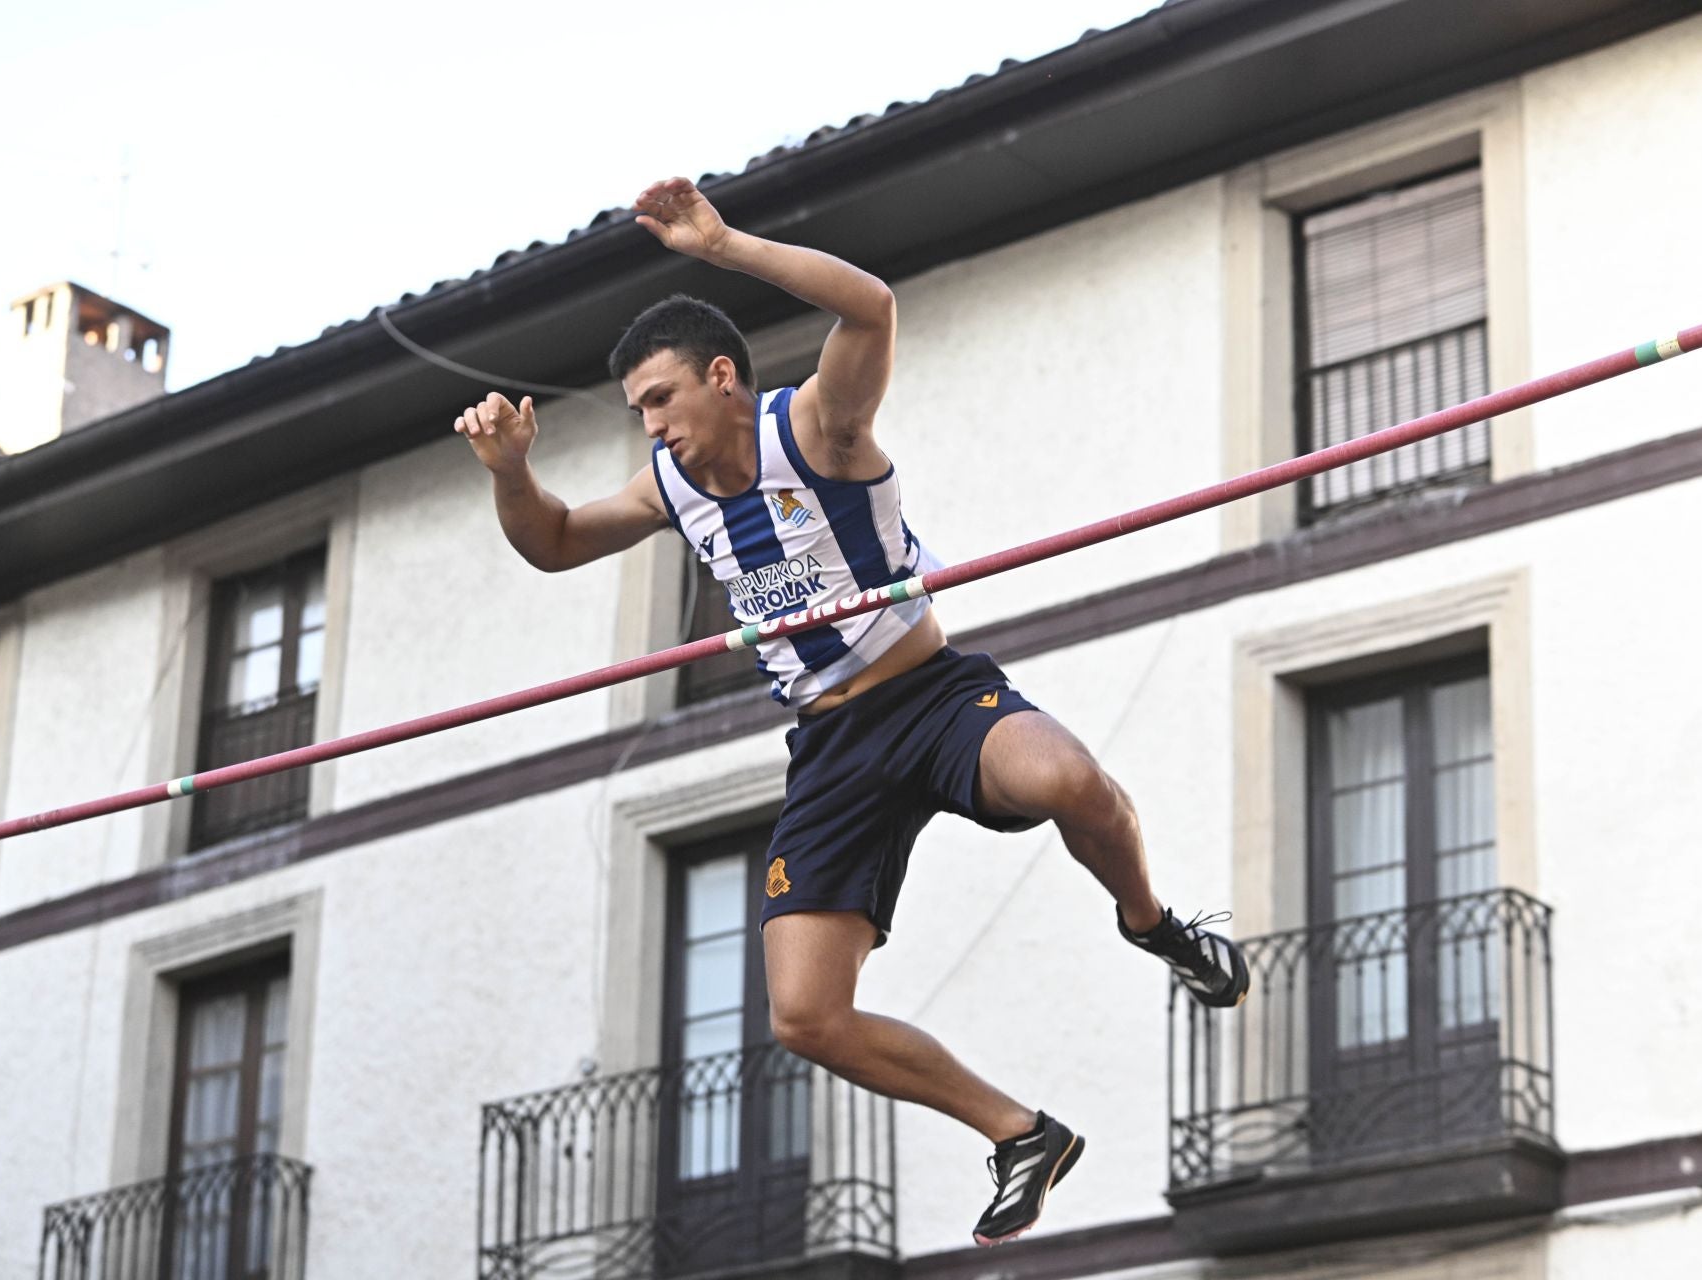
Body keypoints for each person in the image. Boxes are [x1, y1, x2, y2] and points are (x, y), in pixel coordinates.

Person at [454, 176, 1250, 1246]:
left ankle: (1151, 921)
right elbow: (552, 541)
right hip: (831, 744)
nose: (652, 425)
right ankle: (1023, 1133)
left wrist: (725, 246)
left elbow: (871, 306)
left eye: (660, 399)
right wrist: (511, 473)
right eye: (639, 410)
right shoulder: (667, 489)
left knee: (1068, 779)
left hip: (930, 696)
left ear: (722, 376)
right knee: (805, 1016)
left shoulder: (817, 428)